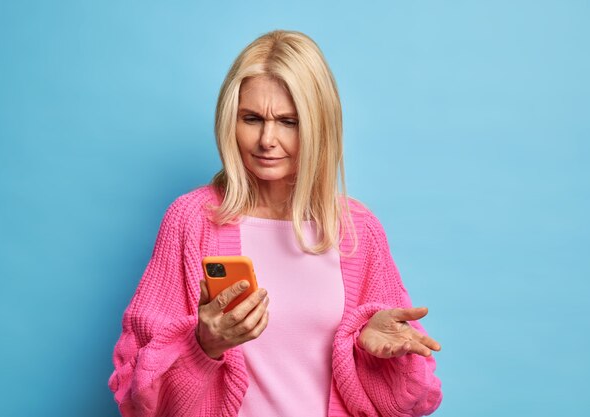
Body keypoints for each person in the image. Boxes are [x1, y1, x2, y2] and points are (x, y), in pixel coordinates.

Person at [108, 29, 442, 417]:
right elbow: (137, 398)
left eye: (288, 121)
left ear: (319, 127)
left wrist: (376, 355)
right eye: (252, 118)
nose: (267, 139)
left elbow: (413, 402)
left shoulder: (357, 231)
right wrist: (203, 345)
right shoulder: (191, 221)